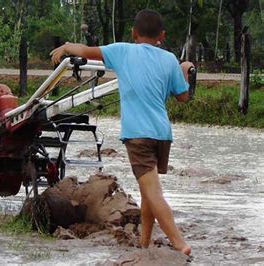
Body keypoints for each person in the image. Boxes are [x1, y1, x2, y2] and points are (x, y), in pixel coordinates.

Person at [50, 10, 192, 256]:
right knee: (149, 191)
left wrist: (65, 47)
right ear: (162, 35)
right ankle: (144, 243)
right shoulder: (170, 59)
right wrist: (184, 70)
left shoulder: (123, 50)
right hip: (162, 134)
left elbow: (85, 51)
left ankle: (179, 243)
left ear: (133, 33)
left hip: (138, 135)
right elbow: (183, 96)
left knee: (153, 192)